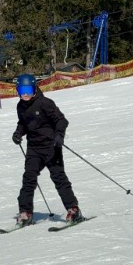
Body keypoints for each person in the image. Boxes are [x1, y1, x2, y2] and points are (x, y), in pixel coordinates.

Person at [12, 73, 81, 226]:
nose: (25, 94)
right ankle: (26, 212)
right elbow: (23, 123)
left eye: (28, 90)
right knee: (28, 179)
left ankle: (73, 209)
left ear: (34, 89)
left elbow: (61, 120)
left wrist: (59, 135)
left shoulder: (45, 103)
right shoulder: (20, 106)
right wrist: (18, 133)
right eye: (21, 90)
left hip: (51, 147)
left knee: (58, 178)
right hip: (34, 149)